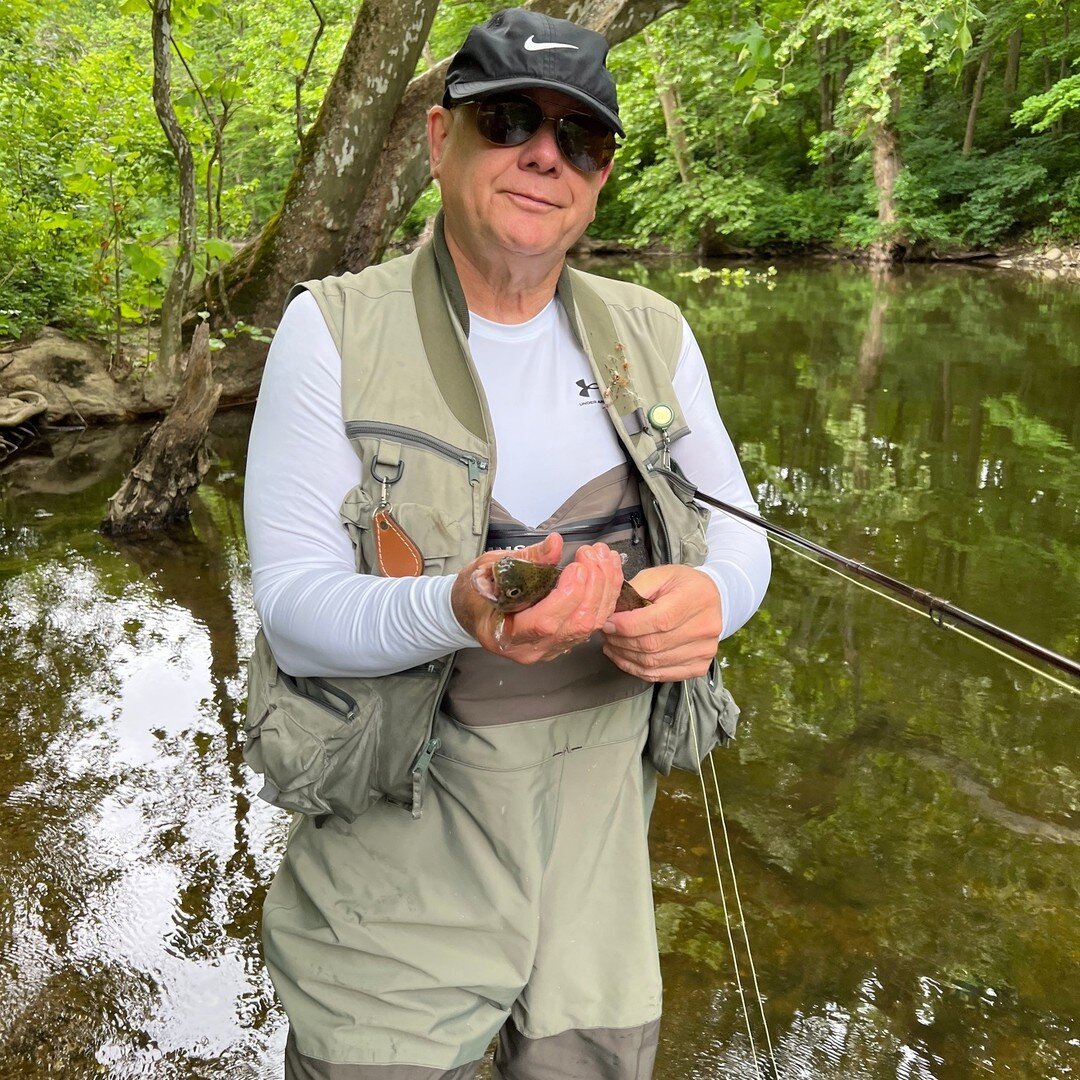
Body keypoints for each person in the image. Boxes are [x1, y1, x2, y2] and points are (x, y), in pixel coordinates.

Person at [244, 8, 770, 1078]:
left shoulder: (655, 332)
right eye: (511, 121)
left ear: (602, 176)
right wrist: (457, 607)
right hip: (398, 866)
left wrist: (714, 606)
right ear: (441, 141)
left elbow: (742, 538)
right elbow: (296, 611)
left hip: (600, 880)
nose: (545, 154)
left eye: (580, 138)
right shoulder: (332, 327)